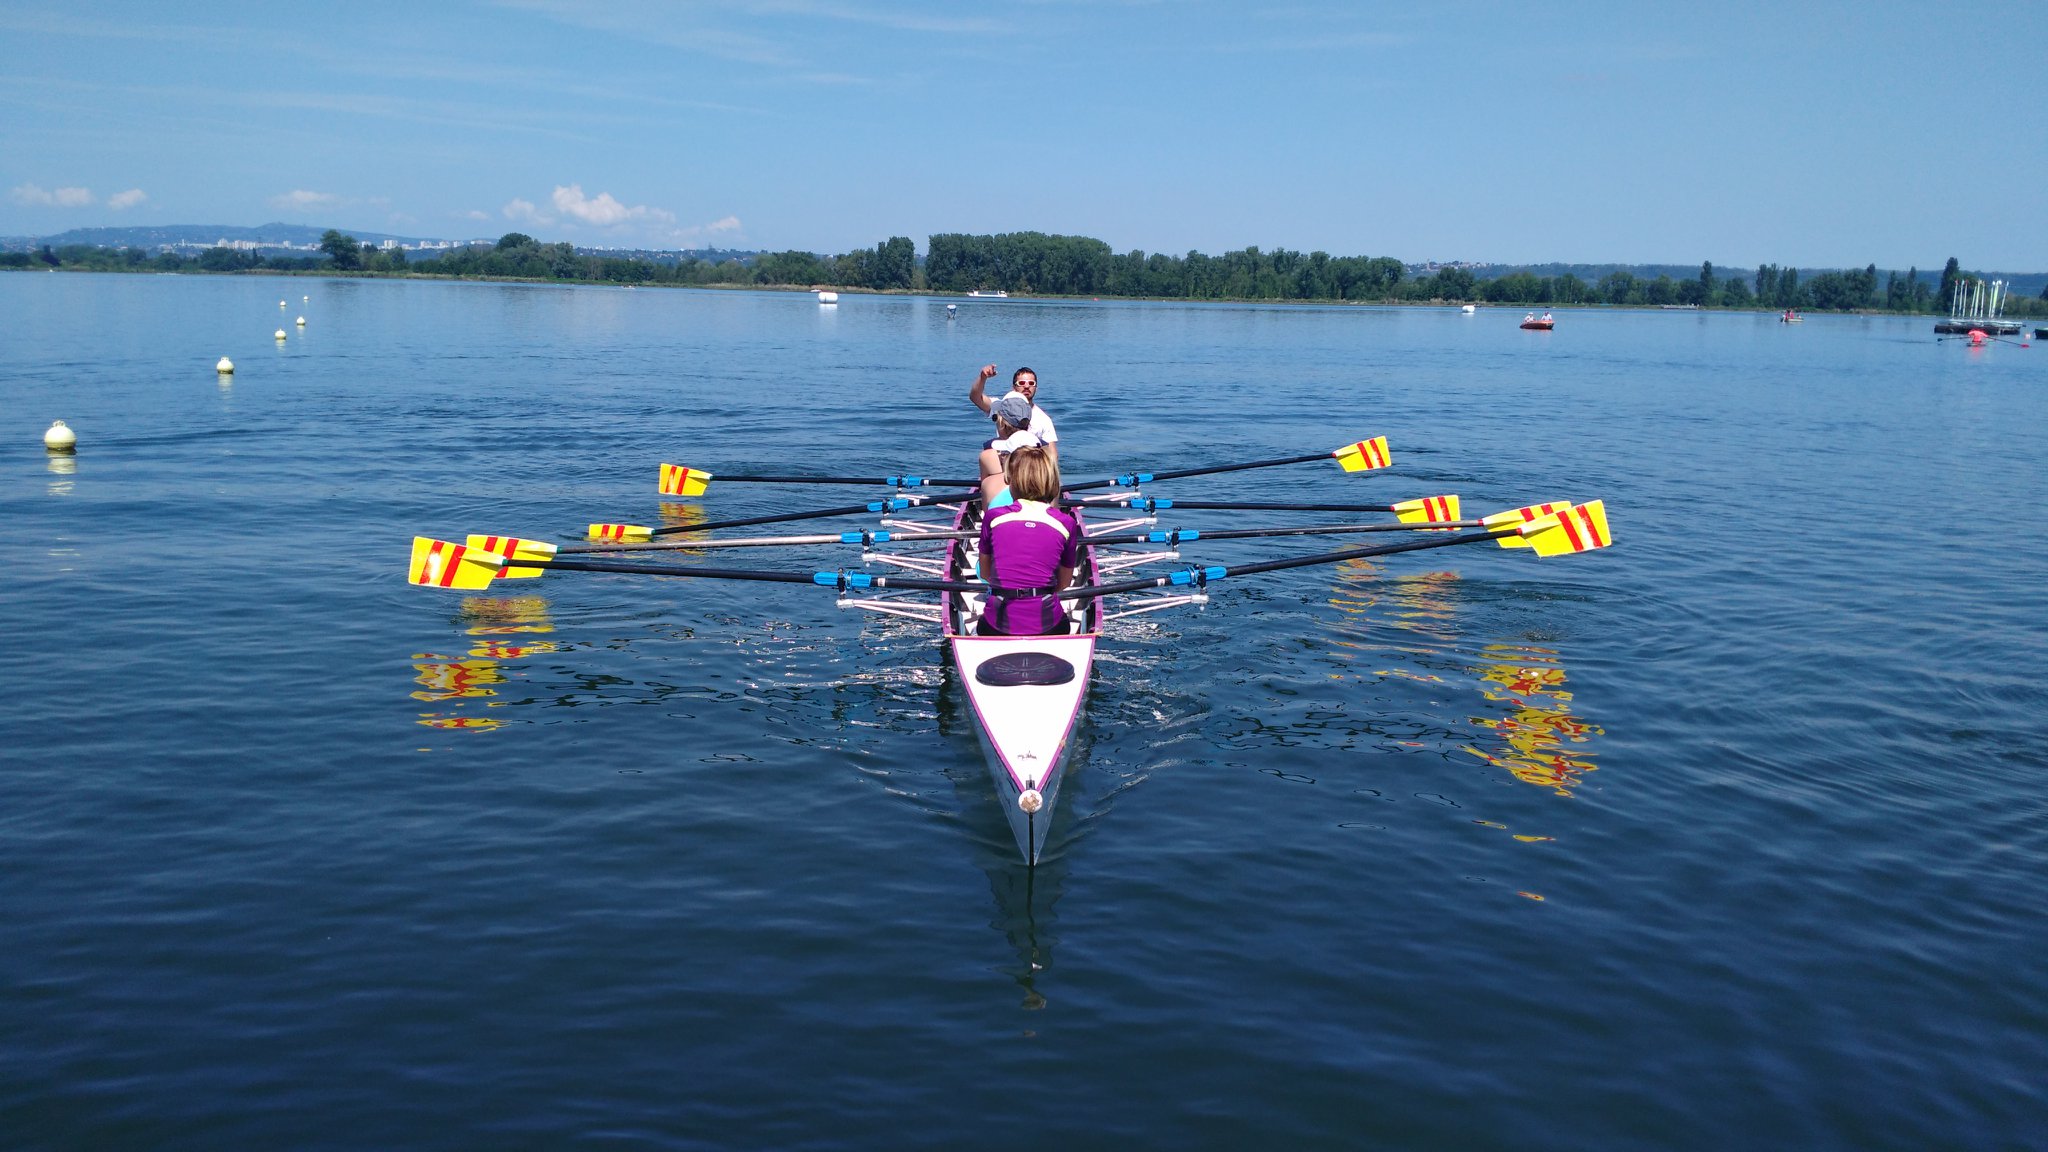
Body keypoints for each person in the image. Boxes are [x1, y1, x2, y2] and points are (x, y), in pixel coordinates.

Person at [975, 444, 1081, 636]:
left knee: (984, 621)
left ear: (1012, 481)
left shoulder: (993, 517)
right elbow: (1064, 583)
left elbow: (986, 573)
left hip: (996, 626)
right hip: (1049, 626)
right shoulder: (1066, 523)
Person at [969, 365, 1057, 462]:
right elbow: (975, 397)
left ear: (1036, 387)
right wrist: (982, 377)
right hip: (1002, 462)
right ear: (1013, 387)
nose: (1027, 386)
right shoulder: (1001, 408)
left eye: (1031, 383)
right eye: (1021, 383)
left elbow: (1052, 455)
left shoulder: (1044, 419)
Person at [978, 393, 1042, 508]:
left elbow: (985, 503)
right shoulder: (1043, 453)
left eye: (996, 417)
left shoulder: (987, 456)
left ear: (1001, 422)